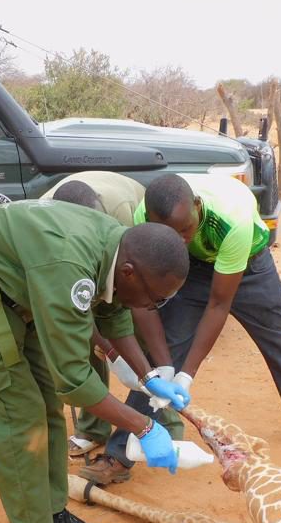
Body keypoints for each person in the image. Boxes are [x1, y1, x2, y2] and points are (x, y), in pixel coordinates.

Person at [0, 199, 192, 523]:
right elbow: (75, 380)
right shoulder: (70, 267)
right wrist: (144, 426)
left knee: (46, 403)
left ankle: (52, 513)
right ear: (131, 273)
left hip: (20, 289)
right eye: (156, 299)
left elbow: (114, 316)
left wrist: (150, 377)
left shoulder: (117, 251)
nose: (155, 307)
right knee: (16, 411)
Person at [79, 172, 281, 486]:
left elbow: (219, 304)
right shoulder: (145, 217)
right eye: (170, 233)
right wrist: (167, 367)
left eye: (185, 229)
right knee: (161, 358)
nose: (179, 239)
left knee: (279, 340)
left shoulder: (231, 219)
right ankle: (119, 455)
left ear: (196, 206)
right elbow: (144, 302)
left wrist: (187, 374)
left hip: (248, 262)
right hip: (192, 268)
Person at [40, 173, 183, 457]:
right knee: (79, 342)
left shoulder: (121, 218)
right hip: (65, 274)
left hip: (135, 264)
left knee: (138, 321)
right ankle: (94, 426)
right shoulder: (56, 241)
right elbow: (75, 322)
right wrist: (112, 356)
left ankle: (167, 418)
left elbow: (127, 300)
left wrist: (150, 373)